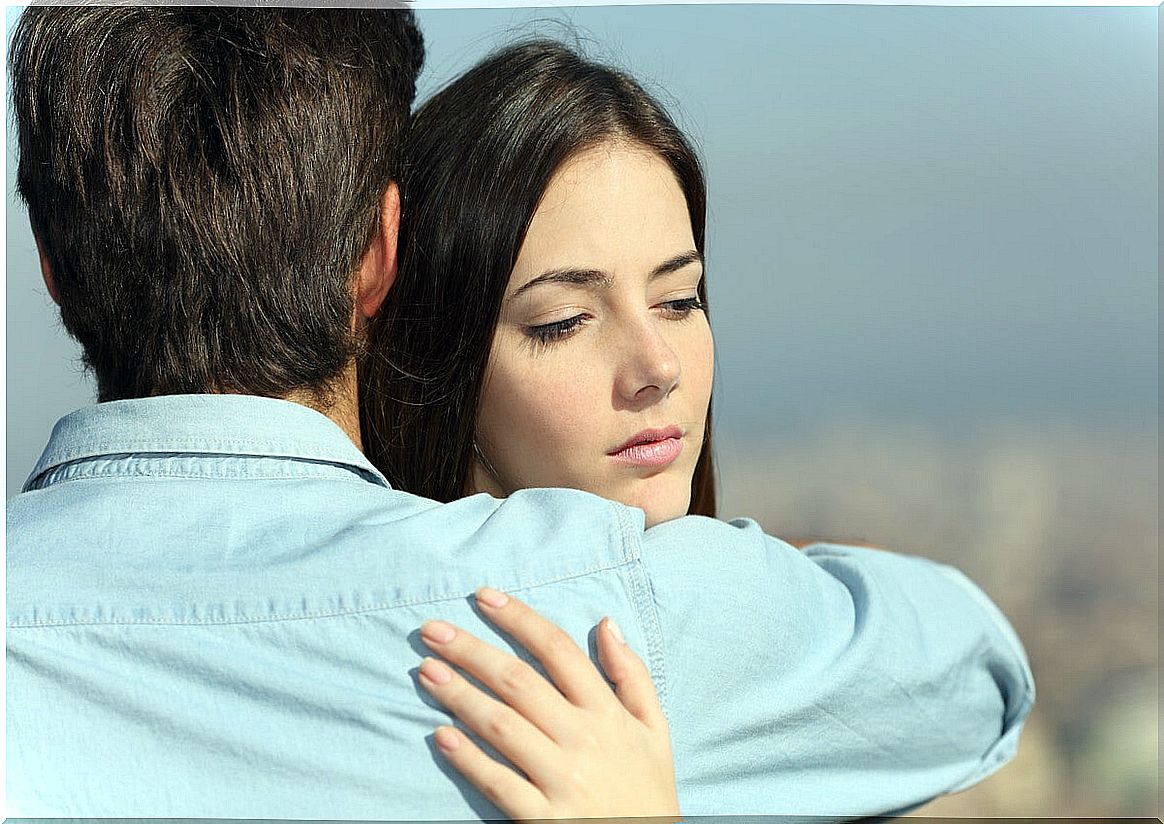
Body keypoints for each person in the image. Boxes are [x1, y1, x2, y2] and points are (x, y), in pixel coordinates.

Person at [6, 6, 1033, 820]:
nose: (658, 365)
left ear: (54, 271)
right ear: (382, 258)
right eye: (559, 320)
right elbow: (969, 661)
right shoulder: (576, 627)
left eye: (681, 297)